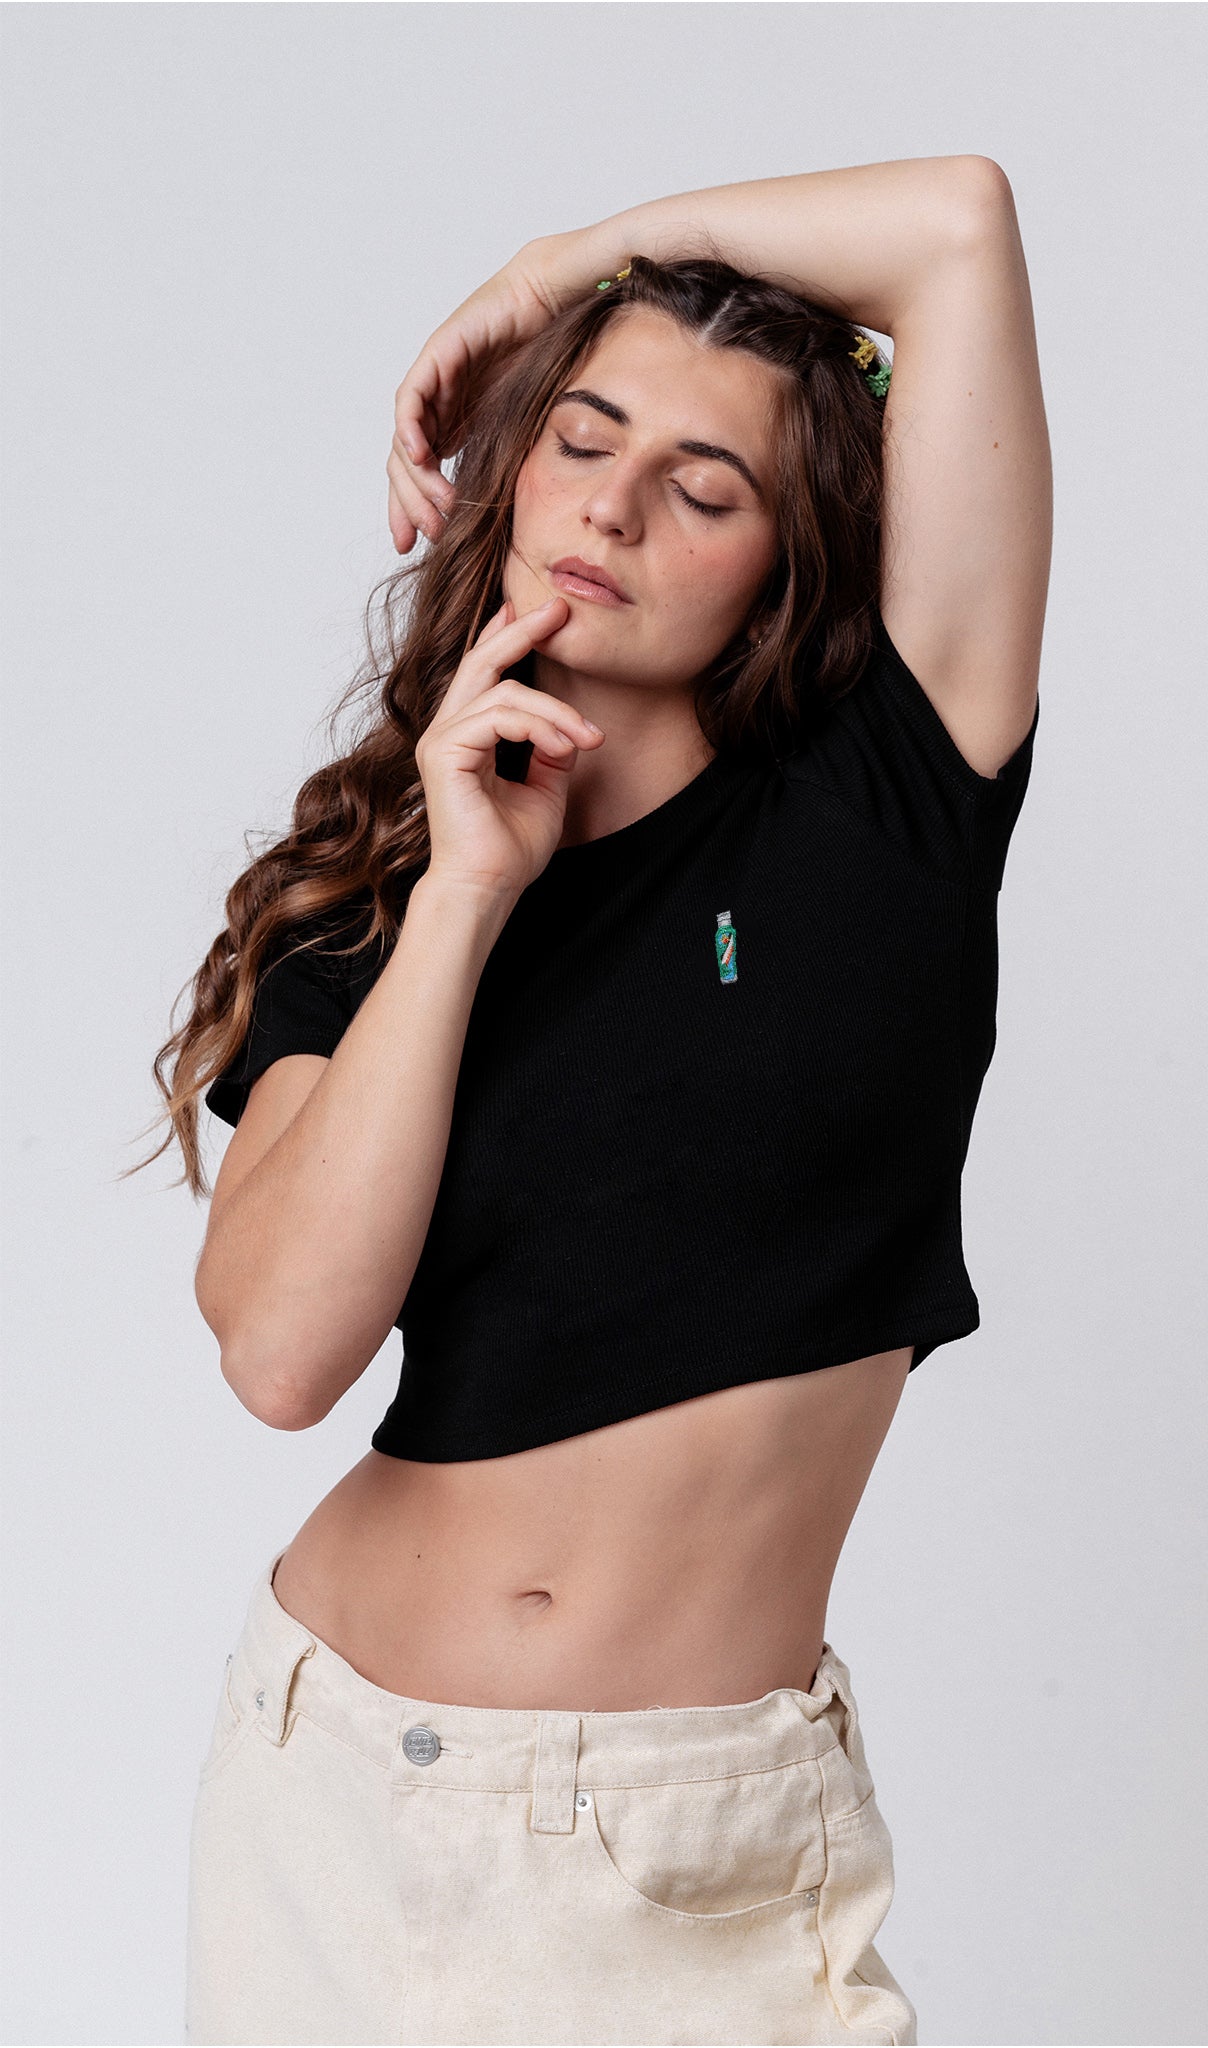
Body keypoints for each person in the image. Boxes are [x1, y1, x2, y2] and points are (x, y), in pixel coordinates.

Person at [148, 156, 1050, 2046]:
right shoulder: (375, 903)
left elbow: (955, 224)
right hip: (332, 1800)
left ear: (781, 561)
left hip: (688, 1846)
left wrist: (562, 265)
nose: (615, 508)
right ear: (508, 477)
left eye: (703, 489)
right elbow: (283, 1354)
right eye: (579, 439)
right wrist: (468, 894)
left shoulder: (890, 796)